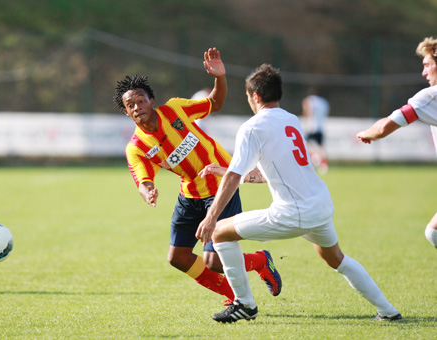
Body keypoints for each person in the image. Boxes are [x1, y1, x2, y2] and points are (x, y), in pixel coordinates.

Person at [196, 64, 401, 323]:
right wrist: (227, 171)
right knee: (335, 258)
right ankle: (388, 311)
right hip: (320, 205)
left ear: (255, 96)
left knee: (219, 232)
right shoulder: (291, 119)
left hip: (293, 212)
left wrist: (211, 216)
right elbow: (267, 173)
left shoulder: (252, 127)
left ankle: (244, 304)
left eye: (248, 97)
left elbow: (235, 177)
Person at [113, 48, 282, 306]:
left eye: (141, 101)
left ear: (152, 100)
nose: (137, 107)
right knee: (177, 257)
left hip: (221, 187)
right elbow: (143, 179)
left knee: (214, 261)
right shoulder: (136, 148)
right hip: (189, 195)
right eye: (131, 105)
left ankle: (261, 260)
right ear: (126, 112)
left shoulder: (175, 109)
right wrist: (148, 190)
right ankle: (231, 293)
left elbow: (215, 102)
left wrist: (220, 78)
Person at [357, 37, 437, 249]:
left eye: (427, 65)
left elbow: (385, 128)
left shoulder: (431, 97)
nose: (424, 72)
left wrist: (367, 133)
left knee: (434, 232)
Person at [301, 88, 330, 174]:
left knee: (306, 145)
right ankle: (324, 165)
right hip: (320, 127)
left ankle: (314, 159)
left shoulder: (308, 100)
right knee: (320, 146)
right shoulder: (324, 102)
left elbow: (307, 112)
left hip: (311, 126)